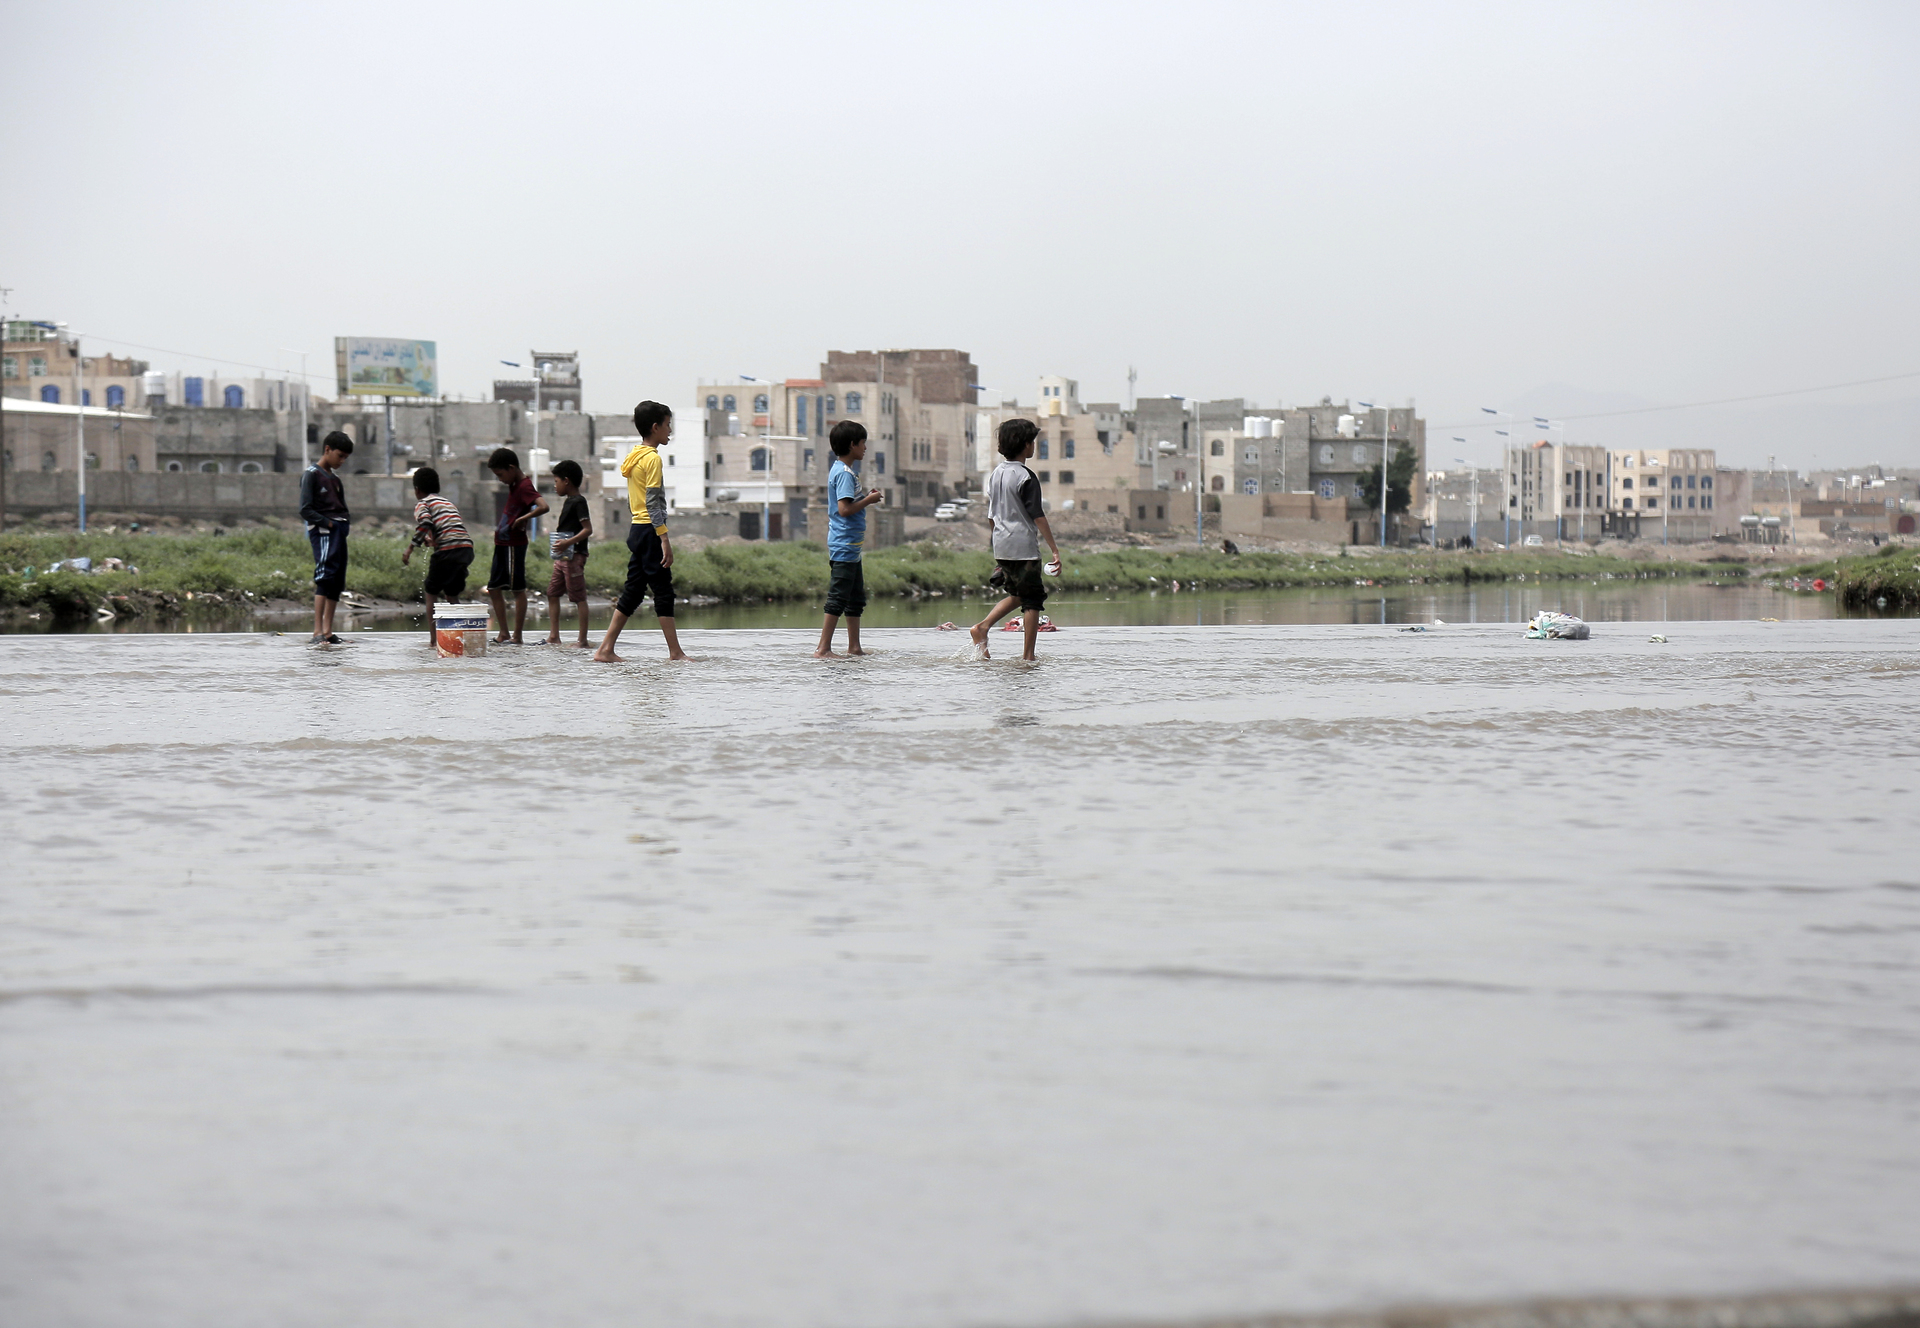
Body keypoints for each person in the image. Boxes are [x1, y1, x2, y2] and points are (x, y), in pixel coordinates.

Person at [593, 401, 689, 663]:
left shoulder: (633, 457)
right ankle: (676, 653)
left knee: (634, 591)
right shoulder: (652, 459)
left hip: (637, 528)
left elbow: (633, 500)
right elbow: (653, 502)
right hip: (649, 531)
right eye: (668, 425)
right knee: (663, 591)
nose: (670, 431)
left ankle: (605, 650)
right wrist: (664, 537)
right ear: (655, 427)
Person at [969, 418, 1061, 662]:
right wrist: (1054, 550)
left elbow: (991, 515)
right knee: (1032, 599)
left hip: (1002, 544)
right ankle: (1028, 657)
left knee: (1019, 593)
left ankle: (982, 628)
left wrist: (998, 540)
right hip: (1023, 546)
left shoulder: (996, 474)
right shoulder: (1026, 477)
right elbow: (1037, 516)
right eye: (1032, 442)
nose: (1034, 446)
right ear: (1025, 445)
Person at [813, 421, 884, 658]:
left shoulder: (844, 471)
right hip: (844, 545)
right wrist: (869, 500)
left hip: (851, 546)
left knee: (855, 598)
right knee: (838, 597)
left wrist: (864, 497)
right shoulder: (844, 473)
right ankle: (823, 649)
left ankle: (854, 647)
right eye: (863, 443)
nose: (865, 448)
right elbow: (844, 509)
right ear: (852, 445)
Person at [400, 466, 474, 647]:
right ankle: (462, 639)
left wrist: (410, 548)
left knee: (431, 592)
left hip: (448, 550)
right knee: (452, 595)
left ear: (416, 490)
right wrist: (434, 541)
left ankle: (433, 642)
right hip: (465, 548)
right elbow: (448, 527)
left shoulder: (423, 504)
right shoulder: (447, 503)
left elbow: (425, 522)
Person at [485, 447, 548, 645]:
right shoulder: (514, 484)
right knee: (494, 588)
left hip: (514, 544)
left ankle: (517, 636)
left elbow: (544, 506)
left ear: (512, 468)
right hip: (501, 542)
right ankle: (503, 632)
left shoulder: (524, 485)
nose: (500, 479)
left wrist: (524, 518)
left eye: (500, 474)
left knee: (517, 589)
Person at [299, 430, 354, 644]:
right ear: (327, 450)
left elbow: (343, 507)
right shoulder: (311, 474)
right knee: (325, 575)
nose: (341, 461)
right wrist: (328, 524)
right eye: (340, 456)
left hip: (339, 530)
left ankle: (329, 632)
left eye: (345, 458)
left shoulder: (336, 480)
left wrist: (344, 525)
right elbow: (305, 509)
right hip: (323, 531)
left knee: (337, 579)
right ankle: (317, 632)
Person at [544, 458, 593, 648]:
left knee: (579, 597)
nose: (555, 486)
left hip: (574, 555)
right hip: (563, 556)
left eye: (556, 482)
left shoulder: (579, 502)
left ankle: (582, 640)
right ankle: (554, 635)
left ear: (566, 481)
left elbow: (587, 529)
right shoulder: (568, 502)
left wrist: (568, 543)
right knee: (552, 593)